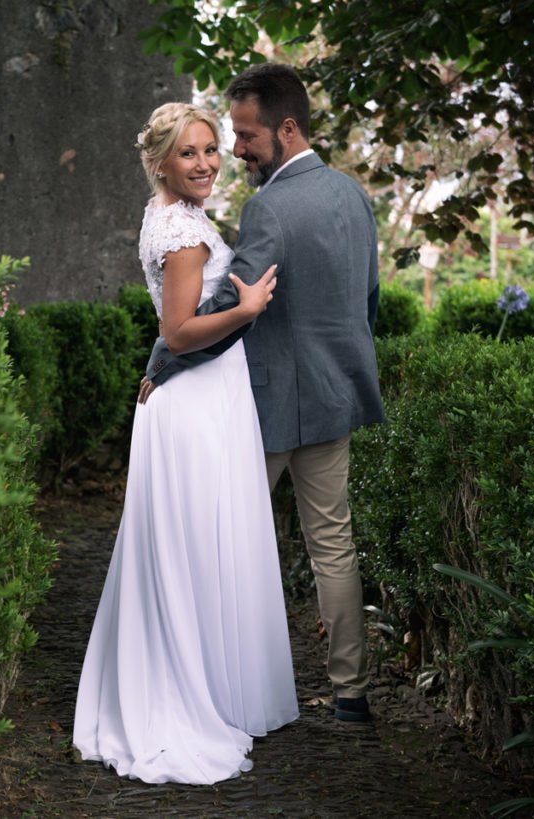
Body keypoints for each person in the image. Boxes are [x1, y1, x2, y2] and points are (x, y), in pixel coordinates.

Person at [141, 64, 385, 723]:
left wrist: (163, 361)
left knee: (227, 540)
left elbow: (229, 303)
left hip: (266, 404)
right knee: (333, 543)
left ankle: (218, 687)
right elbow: (368, 301)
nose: (236, 150)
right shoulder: (354, 196)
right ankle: (351, 692)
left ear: (286, 127)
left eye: (245, 137)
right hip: (336, 394)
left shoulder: (269, 207)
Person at [72, 101, 299, 786]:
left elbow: (165, 332)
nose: (204, 163)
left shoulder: (175, 216)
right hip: (196, 405)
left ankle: (215, 682)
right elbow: (177, 332)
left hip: (202, 398)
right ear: (160, 162)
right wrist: (246, 309)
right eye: (188, 153)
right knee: (198, 545)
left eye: (209, 150)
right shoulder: (181, 230)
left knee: (199, 544)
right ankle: (188, 694)